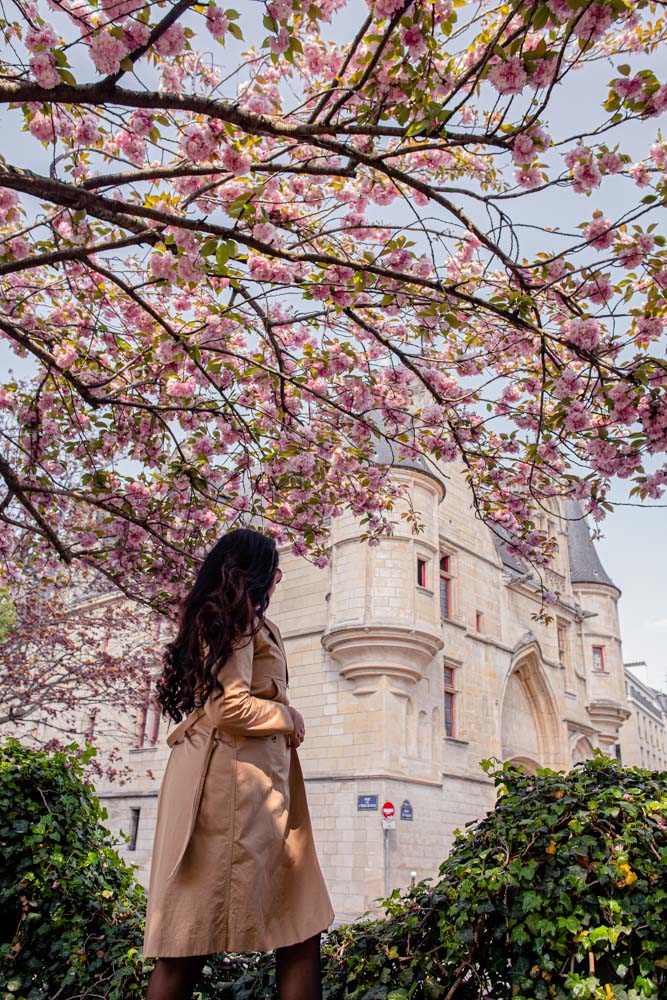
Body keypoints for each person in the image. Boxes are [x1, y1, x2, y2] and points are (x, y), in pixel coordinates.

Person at [143, 527, 334, 999]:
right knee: (192, 936)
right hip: (231, 791)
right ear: (253, 572)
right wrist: (287, 717)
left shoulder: (239, 619)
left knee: (297, 922)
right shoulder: (237, 620)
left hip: (247, 786)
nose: (279, 578)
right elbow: (227, 707)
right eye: (274, 569)